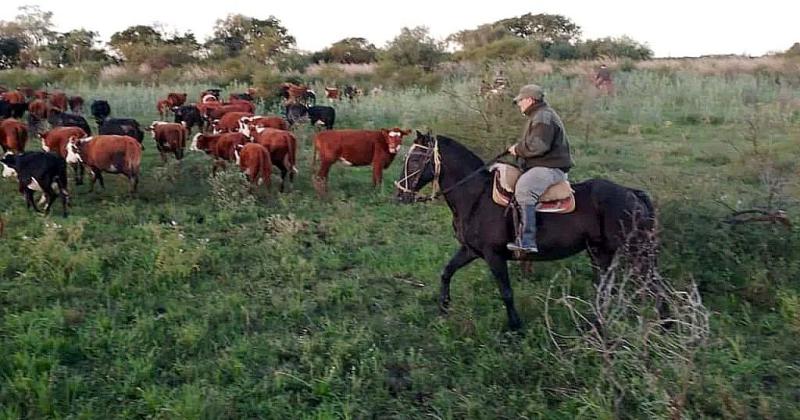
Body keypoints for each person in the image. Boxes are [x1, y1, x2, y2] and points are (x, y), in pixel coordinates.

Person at [506, 84, 574, 253]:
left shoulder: (543, 116)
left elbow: (539, 146)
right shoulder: (539, 115)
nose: (519, 104)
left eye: (520, 101)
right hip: (545, 164)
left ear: (529, 99)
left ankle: (527, 240)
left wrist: (518, 149)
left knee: (524, 189)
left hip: (550, 167)